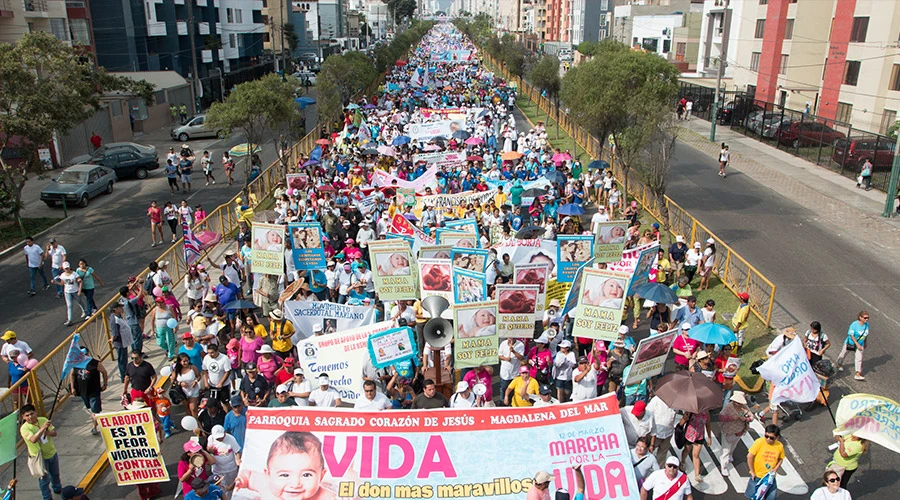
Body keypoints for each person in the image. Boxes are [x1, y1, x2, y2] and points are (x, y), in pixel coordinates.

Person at [21, 403, 62, 500]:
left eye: (32, 413)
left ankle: (58, 488)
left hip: (51, 452)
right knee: (44, 481)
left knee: (55, 474)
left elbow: (54, 433)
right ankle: (47, 497)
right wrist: (42, 429)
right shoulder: (24, 428)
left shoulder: (43, 420)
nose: (30, 417)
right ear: (23, 417)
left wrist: (46, 432)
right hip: (39, 458)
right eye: (27, 415)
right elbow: (33, 439)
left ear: (36, 412)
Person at [70, 347, 108, 435]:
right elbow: (72, 375)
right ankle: (95, 420)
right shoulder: (76, 363)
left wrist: (105, 384)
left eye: (85, 354)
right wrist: (73, 387)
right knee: (91, 409)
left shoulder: (94, 363)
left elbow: (104, 372)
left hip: (94, 391)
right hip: (83, 391)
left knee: (95, 411)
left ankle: (94, 427)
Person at [746, 424, 785, 500]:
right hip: (757, 476)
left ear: (777, 438)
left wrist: (775, 469)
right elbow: (749, 456)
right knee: (754, 497)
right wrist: (752, 472)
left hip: (770, 478)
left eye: (771, 438)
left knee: (770, 497)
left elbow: (781, 458)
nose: (768, 439)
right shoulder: (759, 442)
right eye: (766, 436)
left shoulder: (779, 446)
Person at [718, 391, 751, 477]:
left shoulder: (744, 408)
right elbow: (721, 417)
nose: (737, 403)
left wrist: (746, 419)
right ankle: (724, 466)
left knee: (733, 446)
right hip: (728, 431)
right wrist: (731, 418)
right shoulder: (728, 407)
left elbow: (750, 416)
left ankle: (730, 455)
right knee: (726, 449)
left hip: (739, 431)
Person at [208, 424, 242, 494]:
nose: (220, 439)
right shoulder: (210, 438)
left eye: (221, 437)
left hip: (231, 469)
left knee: (232, 487)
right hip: (218, 469)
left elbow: (237, 451)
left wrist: (238, 460)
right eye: (218, 438)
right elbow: (208, 449)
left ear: (224, 433)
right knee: (221, 488)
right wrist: (209, 450)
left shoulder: (231, 438)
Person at [836, 311, 869, 381]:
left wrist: (865, 342)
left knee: (859, 358)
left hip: (860, 344)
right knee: (843, 354)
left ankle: (857, 373)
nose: (867, 319)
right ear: (860, 317)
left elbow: (865, 334)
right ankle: (838, 364)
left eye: (868, 318)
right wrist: (857, 344)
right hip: (850, 343)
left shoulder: (867, 325)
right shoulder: (854, 325)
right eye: (865, 318)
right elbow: (851, 335)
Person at [680, 410, 711, 483]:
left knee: (696, 455)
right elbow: (681, 423)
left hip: (699, 436)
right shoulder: (689, 412)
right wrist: (685, 418)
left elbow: (708, 425)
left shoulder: (706, 413)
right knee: (687, 450)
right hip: (689, 435)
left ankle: (697, 475)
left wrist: (709, 437)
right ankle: (683, 461)